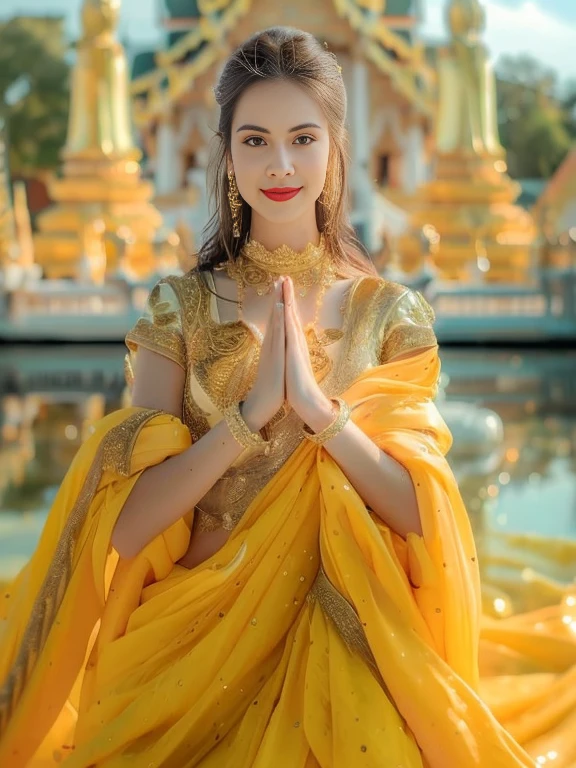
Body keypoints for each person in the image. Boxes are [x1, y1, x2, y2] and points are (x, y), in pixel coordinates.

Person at [1, 26, 575, 768]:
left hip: (346, 634)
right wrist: (243, 422)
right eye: (255, 140)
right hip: (189, 647)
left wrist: (317, 408)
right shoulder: (179, 309)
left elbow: (422, 511)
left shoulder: (387, 314)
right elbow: (123, 525)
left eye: (303, 139)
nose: (280, 164)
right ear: (227, 154)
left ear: (335, 148)